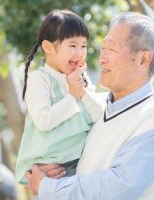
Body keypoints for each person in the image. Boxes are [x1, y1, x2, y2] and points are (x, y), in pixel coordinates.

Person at [25, 12, 154, 200]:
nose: (101, 59)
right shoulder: (93, 106)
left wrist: (50, 188)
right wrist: (51, 170)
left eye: (112, 50)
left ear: (143, 60)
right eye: (103, 49)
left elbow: (119, 187)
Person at [15, 9, 104, 184]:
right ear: (48, 47)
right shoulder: (39, 79)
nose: (79, 53)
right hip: (48, 170)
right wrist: (72, 96)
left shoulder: (81, 80)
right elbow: (44, 120)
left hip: (80, 165)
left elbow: (97, 115)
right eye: (72, 45)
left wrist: (81, 91)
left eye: (84, 46)